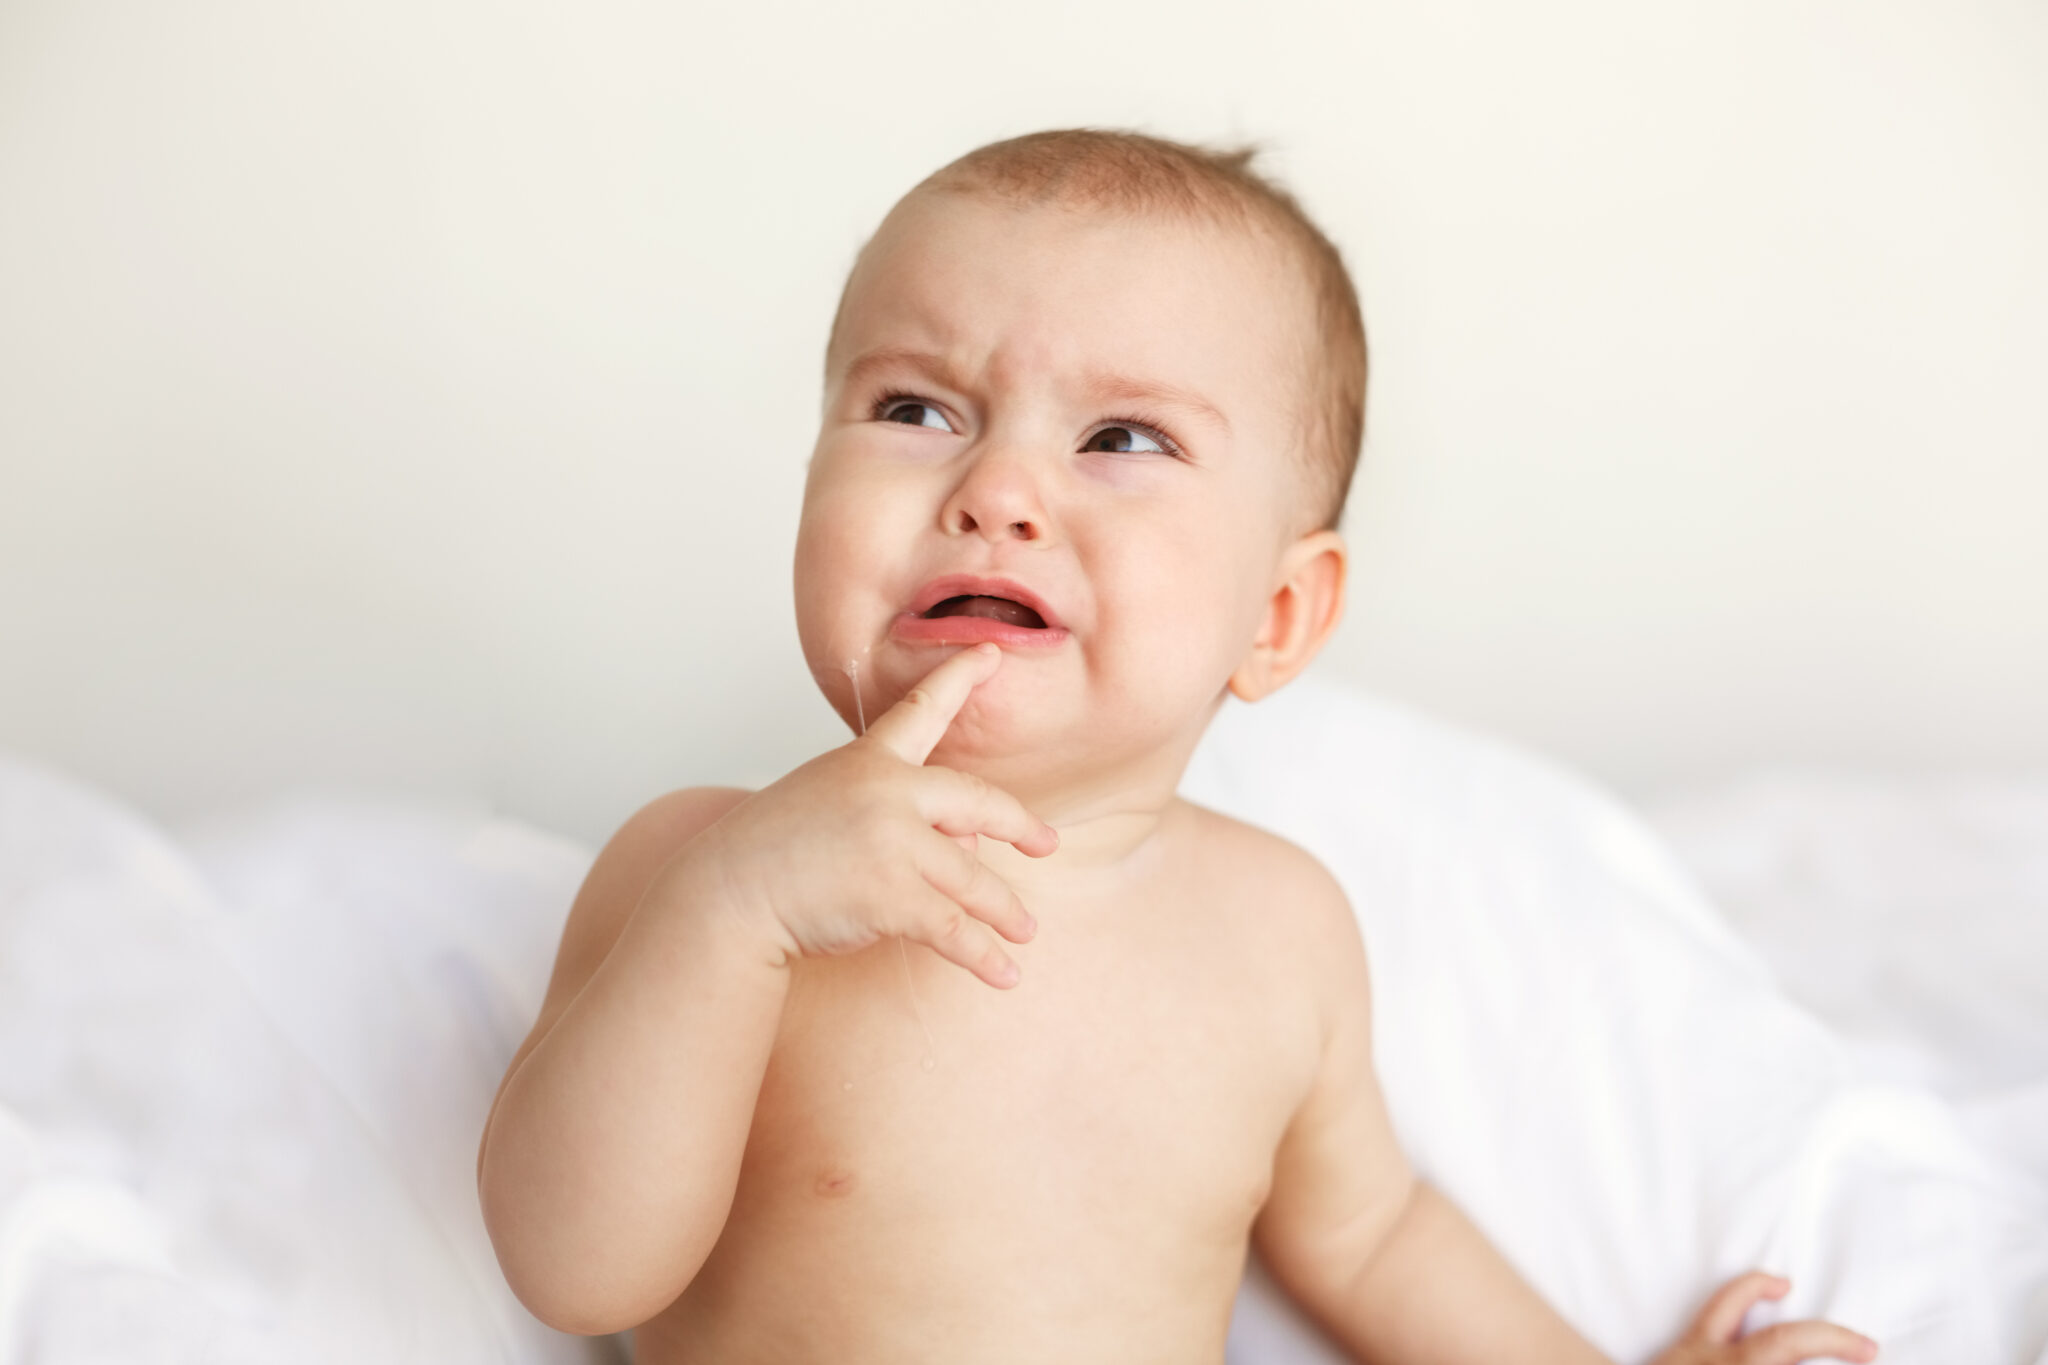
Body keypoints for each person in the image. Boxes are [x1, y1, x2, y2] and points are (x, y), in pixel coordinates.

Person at [475, 127, 1881, 1364]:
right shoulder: (699, 871)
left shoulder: (1277, 928)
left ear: (1276, 615)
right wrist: (736, 912)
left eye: (1121, 436)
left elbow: (1377, 1237)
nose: (999, 488)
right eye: (916, 408)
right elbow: (573, 1268)